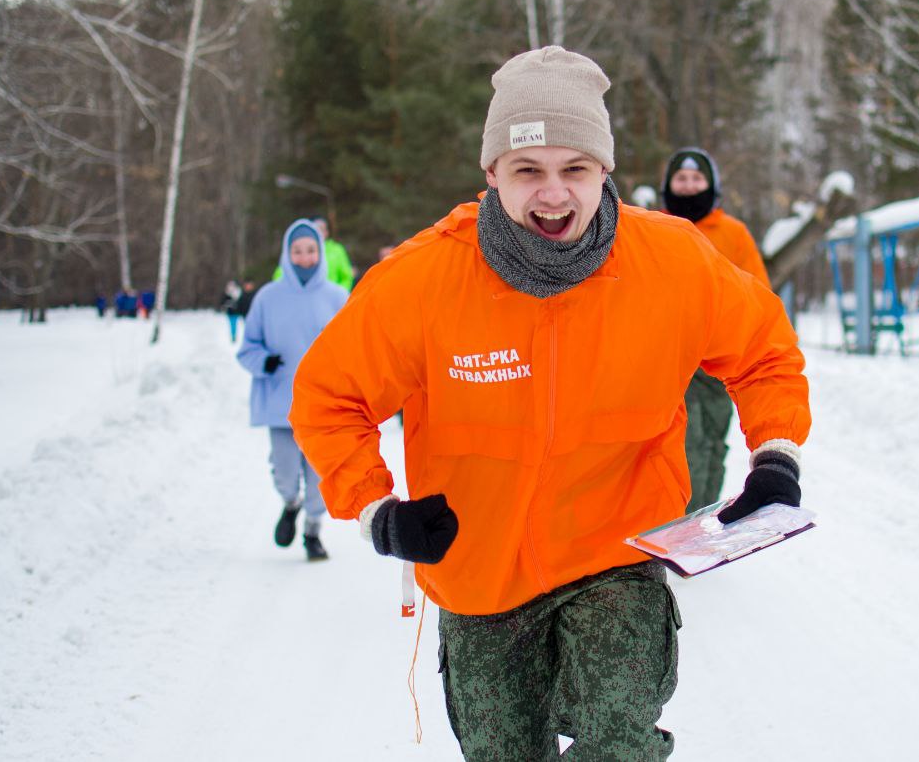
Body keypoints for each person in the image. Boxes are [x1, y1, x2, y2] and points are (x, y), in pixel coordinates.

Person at [292, 47, 810, 759]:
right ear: (491, 173)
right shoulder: (423, 282)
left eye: (576, 169)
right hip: (480, 573)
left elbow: (765, 350)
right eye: (527, 170)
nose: (554, 194)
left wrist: (775, 455)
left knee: (618, 739)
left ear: (605, 170)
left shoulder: (673, 263)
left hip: (616, 552)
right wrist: (376, 509)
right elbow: (329, 396)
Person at [661, 147, 774, 514]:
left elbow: (757, 292)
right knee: (685, 442)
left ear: (711, 185)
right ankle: (679, 519)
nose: (689, 186)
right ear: (668, 185)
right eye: (681, 178)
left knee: (712, 441)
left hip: (717, 361)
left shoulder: (733, 233)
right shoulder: (654, 228)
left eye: (697, 178)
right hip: (671, 359)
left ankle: (702, 516)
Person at [237, 221, 348, 561]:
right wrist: (264, 362)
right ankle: (290, 503)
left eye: (311, 250)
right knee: (285, 472)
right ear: (287, 254)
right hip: (280, 403)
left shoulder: (337, 297)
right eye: (297, 251)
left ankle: (312, 530)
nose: (304, 257)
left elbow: (354, 348)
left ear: (321, 252)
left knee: (319, 476)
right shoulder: (268, 298)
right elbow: (247, 348)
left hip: (323, 407)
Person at [272, 215, 354, 291]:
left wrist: (339, 295)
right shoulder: (297, 250)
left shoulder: (337, 250)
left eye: (322, 229)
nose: (319, 232)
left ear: (327, 232)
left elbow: (346, 276)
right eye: (316, 229)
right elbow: (280, 275)